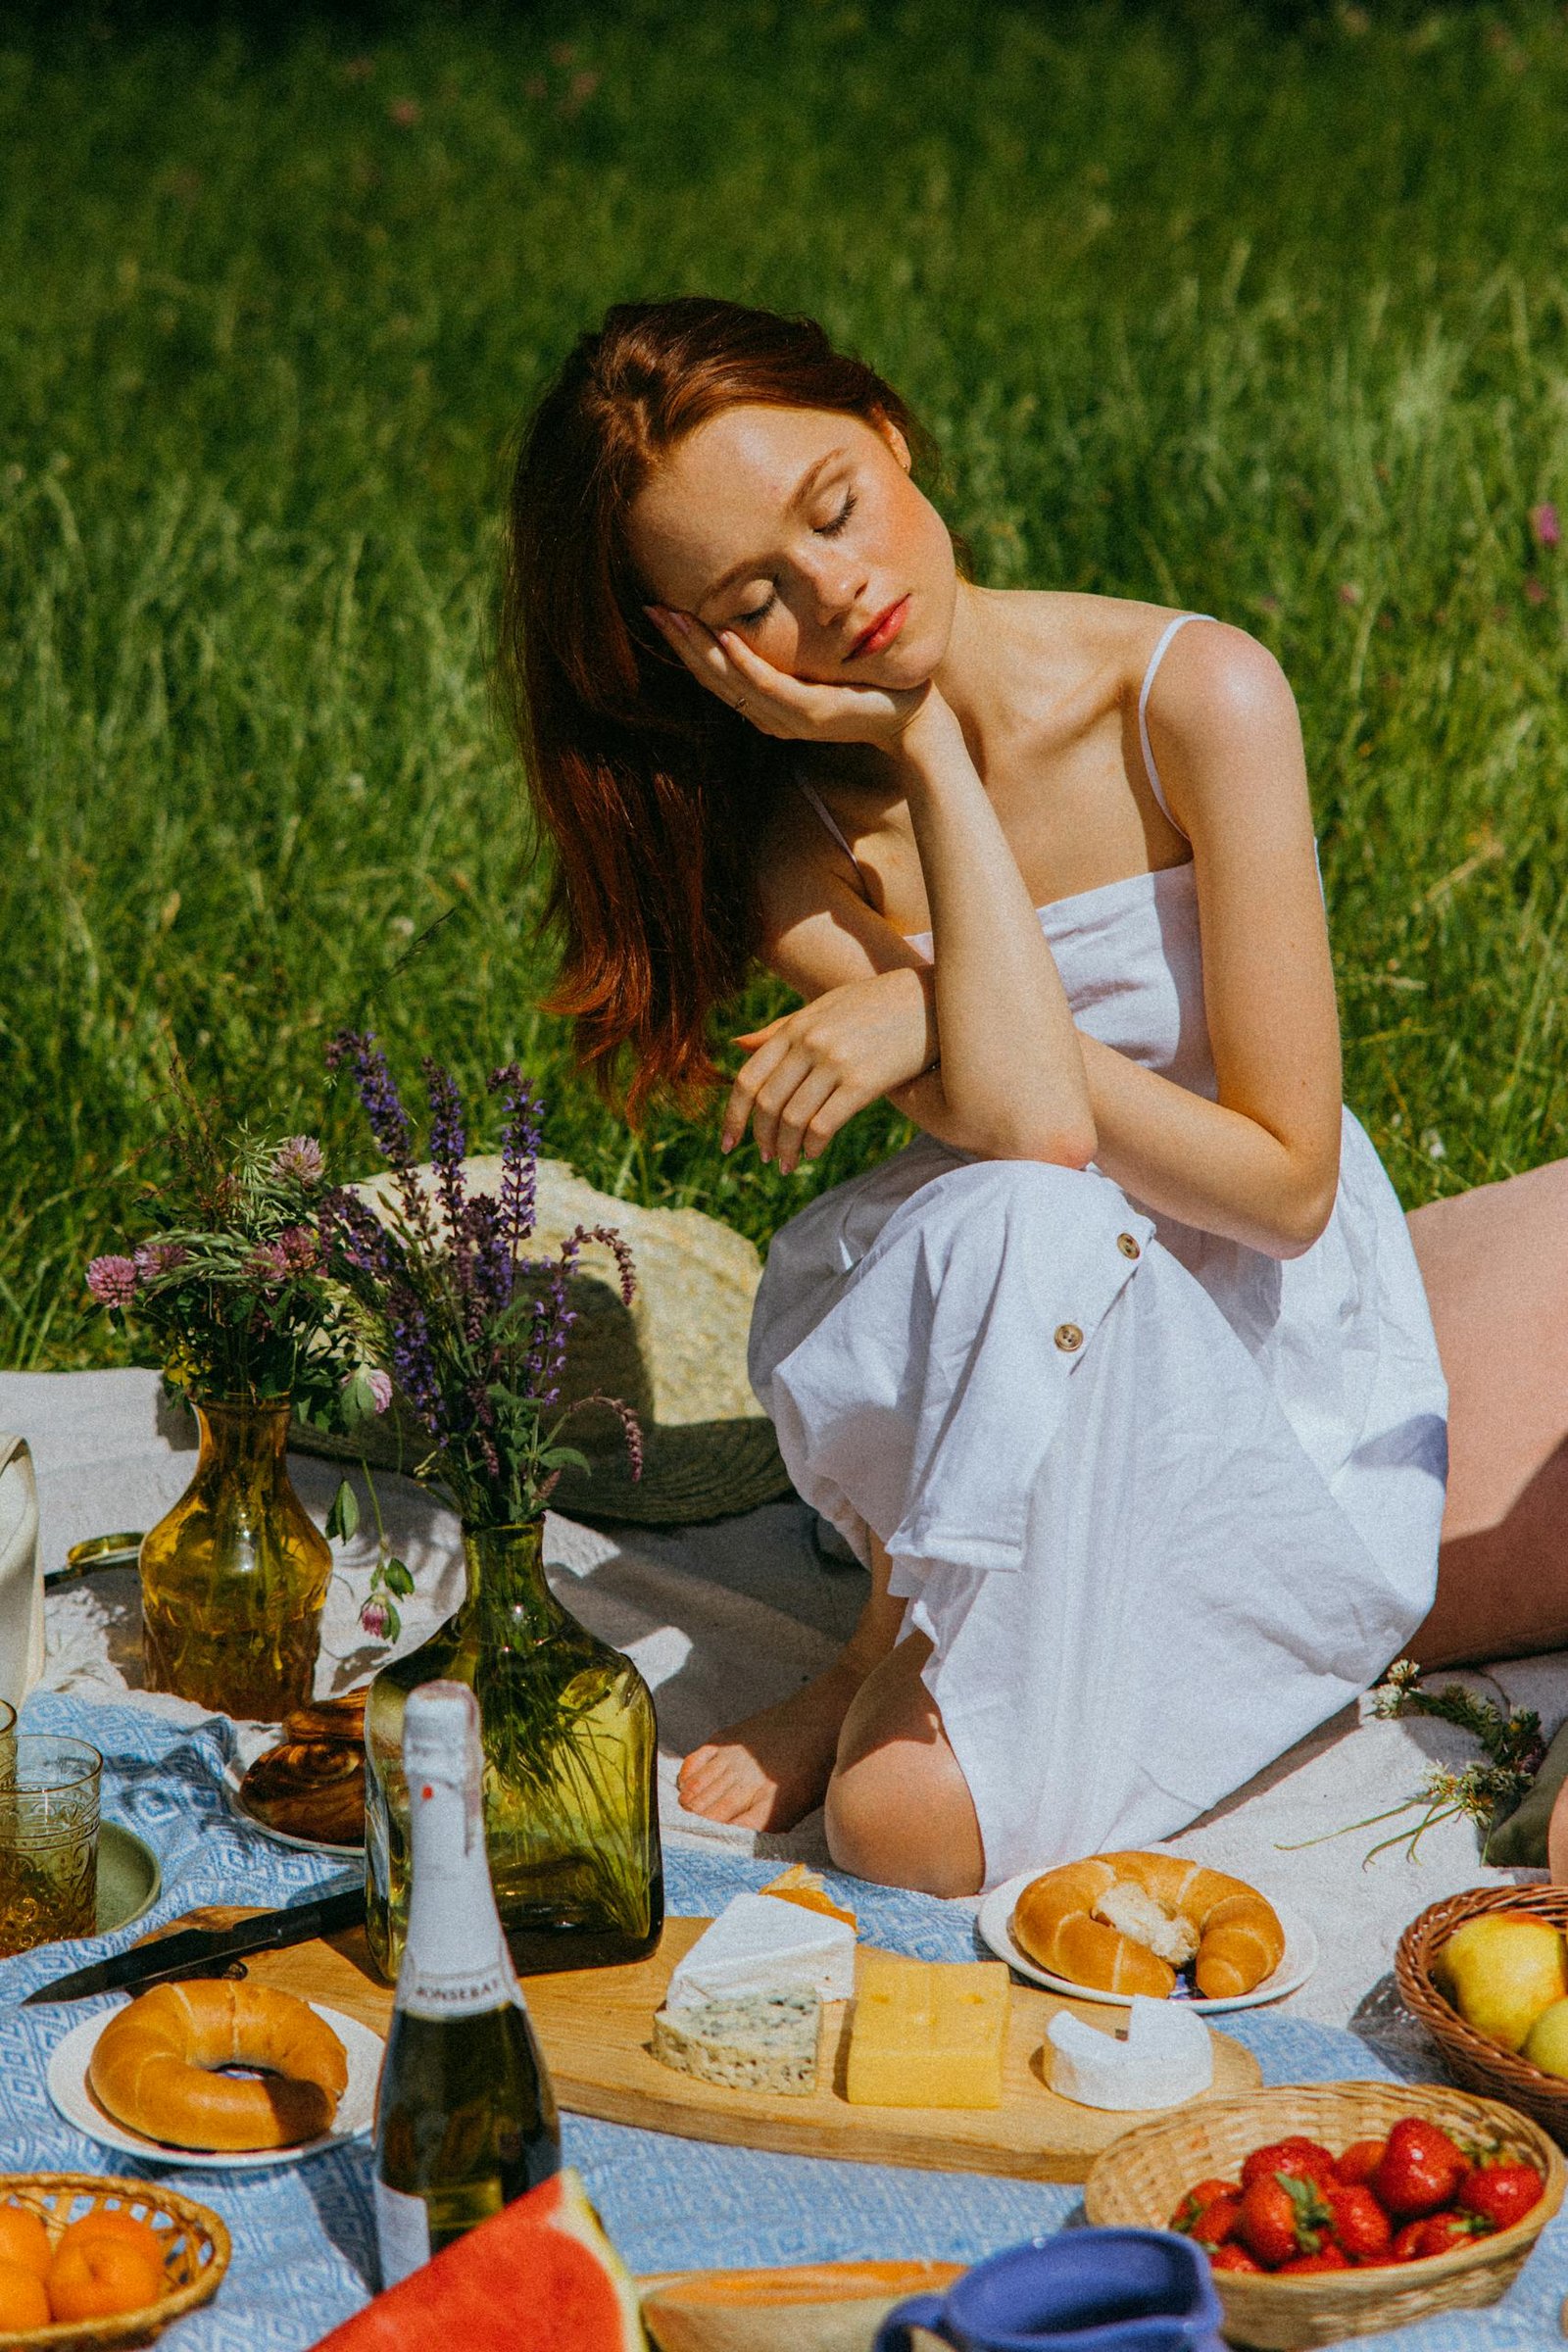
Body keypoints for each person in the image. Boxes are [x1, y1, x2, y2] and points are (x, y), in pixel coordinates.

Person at [501, 293, 1484, 1899]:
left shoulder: (1196, 697)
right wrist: (924, 759)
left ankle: (898, 1657)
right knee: (1017, 1215)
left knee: (900, 1827)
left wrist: (927, 986)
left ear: (886, 428)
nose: (840, 593)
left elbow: (1286, 1188)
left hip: (1260, 1347)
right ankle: (892, 1631)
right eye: (757, 595)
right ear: (697, 651)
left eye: (836, 508)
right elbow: (1035, 1146)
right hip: (1015, 1323)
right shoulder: (794, 844)